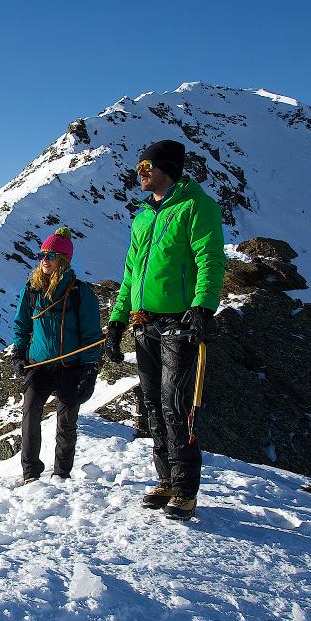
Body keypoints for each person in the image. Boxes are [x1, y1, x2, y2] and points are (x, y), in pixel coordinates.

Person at [104, 139, 225, 520]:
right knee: (153, 405)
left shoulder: (196, 206)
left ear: (167, 168)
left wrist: (203, 307)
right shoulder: (143, 217)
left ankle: (186, 489)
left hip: (179, 323)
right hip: (144, 323)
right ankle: (167, 480)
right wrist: (117, 320)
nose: (139, 173)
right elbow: (131, 274)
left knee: (176, 404)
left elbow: (210, 259)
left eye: (146, 166)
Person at [10, 227, 102, 485]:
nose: (44, 260)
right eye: (42, 255)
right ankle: (30, 473)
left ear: (63, 260)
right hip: (39, 365)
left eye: (50, 255)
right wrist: (19, 352)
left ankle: (61, 473)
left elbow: (91, 333)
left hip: (71, 366)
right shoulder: (32, 289)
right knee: (30, 414)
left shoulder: (79, 292)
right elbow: (22, 324)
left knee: (66, 422)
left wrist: (90, 368)